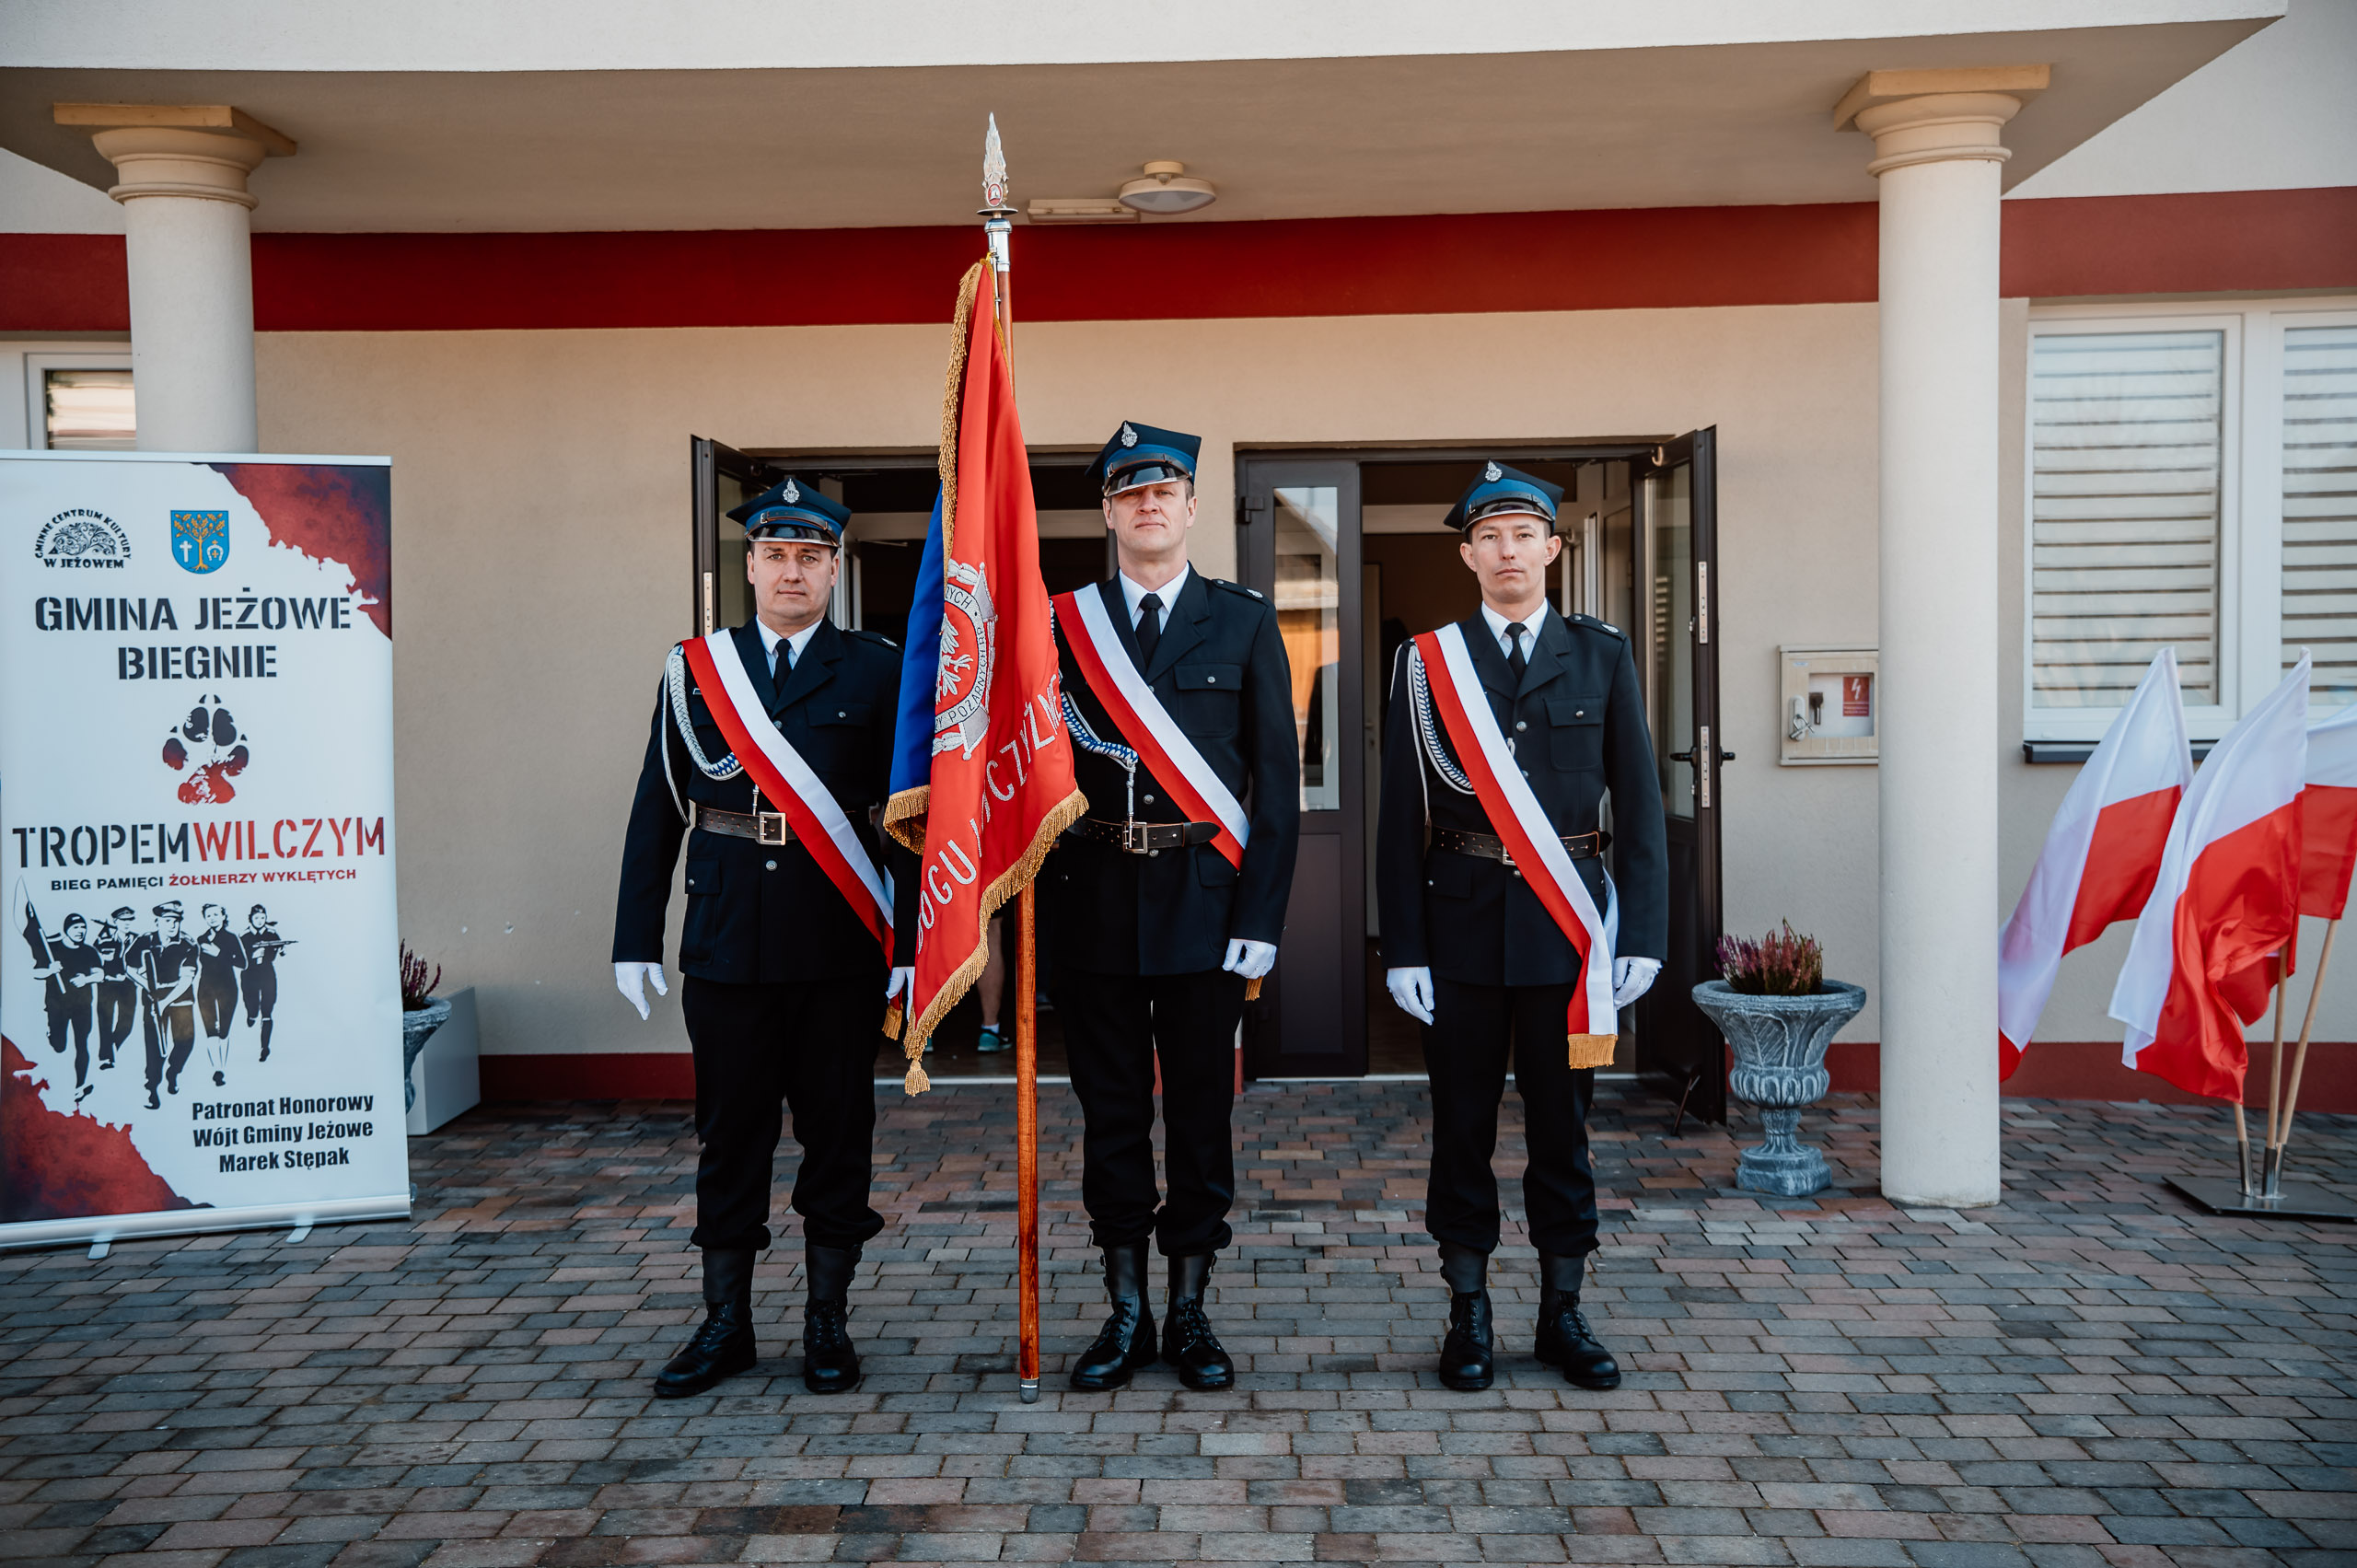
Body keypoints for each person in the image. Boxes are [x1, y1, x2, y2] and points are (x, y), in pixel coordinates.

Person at [611, 475, 915, 1399]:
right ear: (749, 567)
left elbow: (910, 819)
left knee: (838, 1136)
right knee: (730, 1138)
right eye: (776, 554)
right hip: (728, 941)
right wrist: (634, 936)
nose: (792, 571)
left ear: (834, 568)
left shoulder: (878, 669)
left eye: (810, 556)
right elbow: (657, 809)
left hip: (837, 946)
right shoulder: (696, 669)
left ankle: (827, 1320)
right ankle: (726, 1323)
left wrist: (910, 945)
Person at [1375, 460, 1667, 1394]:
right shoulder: (1427, 662)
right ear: (1467, 555)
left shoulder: (1602, 654)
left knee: (1562, 1129)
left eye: (1523, 535)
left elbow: (1641, 807)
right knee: (1460, 1128)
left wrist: (1641, 933)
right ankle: (1467, 1309)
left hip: (1567, 935)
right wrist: (1403, 944)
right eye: (1489, 537)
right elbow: (1399, 814)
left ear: (1552, 547)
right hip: (1458, 932)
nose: (1508, 551)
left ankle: (1561, 1310)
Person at [1042, 421, 1300, 1391]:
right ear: (1108, 513)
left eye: (1164, 491)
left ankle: (1189, 1310)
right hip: (1092, 905)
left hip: (1206, 908)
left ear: (1192, 507)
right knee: (1110, 1119)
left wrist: (1260, 921)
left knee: (1198, 1118)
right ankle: (1126, 1312)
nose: (1148, 505)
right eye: (1129, 493)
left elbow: (1277, 787)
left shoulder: (1242, 621)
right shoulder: (1058, 624)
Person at [137, 900, 201, 1108]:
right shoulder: (145, 941)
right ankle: (152, 1089)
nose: (173, 925)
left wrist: (164, 1002)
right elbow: (128, 967)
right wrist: (146, 985)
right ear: (157, 921)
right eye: (167, 921)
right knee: (154, 1046)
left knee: (185, 1043)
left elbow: (186, 979)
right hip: (152, 1001)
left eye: (176, 921)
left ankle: (173, 1072)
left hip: (181, 1001)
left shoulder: (189, 944)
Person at [37, 913, 102, 1102]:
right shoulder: (52, 949)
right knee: (59, 1046)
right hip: (57, 1006)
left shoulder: (89, 951)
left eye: (83, 927)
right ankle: (52, 1036)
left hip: (82, 1006)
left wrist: (86, 979)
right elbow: (36, 972)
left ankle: (80, 1086)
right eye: (76, 928)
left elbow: (100, 974)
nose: (81, 931)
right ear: (66, 930)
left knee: (82, 1044)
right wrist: (50, 970)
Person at [193, 902, 246, 1086]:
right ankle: (217, 1070)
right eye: (209, 915)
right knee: (210, 1030)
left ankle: (223, 1066)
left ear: (223, 916)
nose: (212, 918)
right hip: (206, 988)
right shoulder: (200, 939)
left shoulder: (231, 938)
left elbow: (243, 963)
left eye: (216, 914)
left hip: (227, 988)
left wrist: (220, 954)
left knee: (224, 1030)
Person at [94, 907, 141, 1074]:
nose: (127, 923)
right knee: (105, 1022)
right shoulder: (103, 940)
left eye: (130, 920)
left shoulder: (138, 940)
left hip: (128, 986)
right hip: (107, 985)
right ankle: (106, 1057)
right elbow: (94, 962)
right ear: (115, 922)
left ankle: (111, 1047)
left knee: (126, 1024)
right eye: (123, 920)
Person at [241, 905, 288, 1060]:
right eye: (256, 918)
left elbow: (280, 949)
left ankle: (265, 1047)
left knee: (267, 1010)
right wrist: (253, 955)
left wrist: (280, 950)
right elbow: (238, 956)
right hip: (250, 974)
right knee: (253, 1006)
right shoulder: (244, 936)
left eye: (263, 918)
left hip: (267, 973)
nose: (260, 921)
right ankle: (251, 1015)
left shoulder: (271, 933)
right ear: (250, 919)